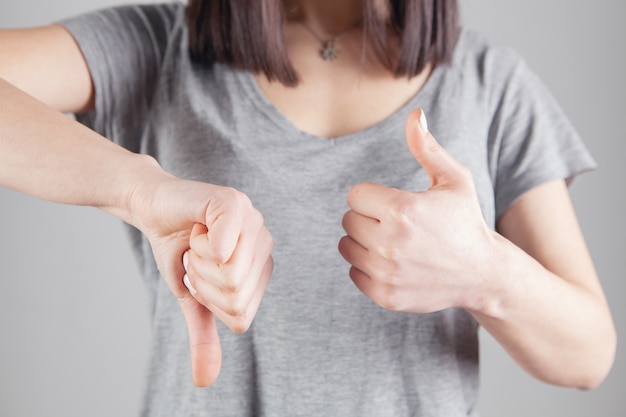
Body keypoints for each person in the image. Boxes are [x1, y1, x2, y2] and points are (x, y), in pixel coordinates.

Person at [0, 0, 616, 415]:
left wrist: (485, 272)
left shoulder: (492, 83)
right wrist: (140, 188)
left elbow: (589, 356)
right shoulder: (162, 46)